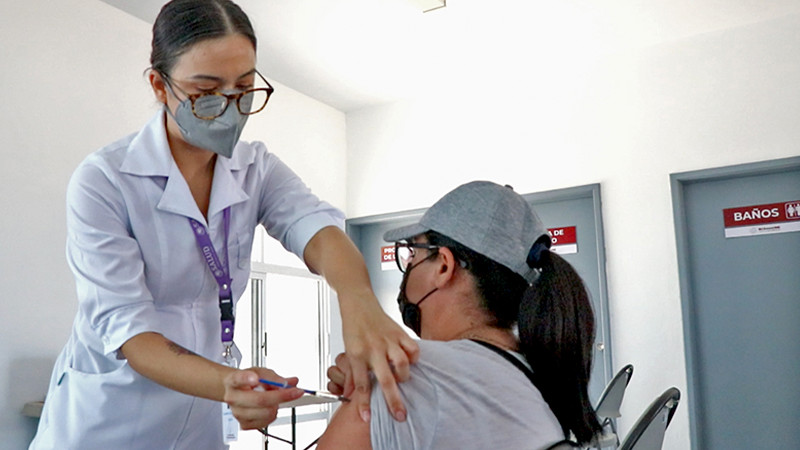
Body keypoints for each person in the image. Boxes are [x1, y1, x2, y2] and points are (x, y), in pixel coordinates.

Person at [28, 1, 417, 448]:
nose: (230, 109)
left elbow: (315, 228)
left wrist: (358, 299)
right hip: (105, 424)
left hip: (198, 427)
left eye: (245, 88)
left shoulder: (256, 169)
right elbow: (131, 332)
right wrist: (230, 384)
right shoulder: (105, 181)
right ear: (159, 85)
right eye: (207, 92)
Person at [317, 181, 602, 449]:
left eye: (413, 254)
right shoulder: (536, 378)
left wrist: (370, 387)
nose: (408, 267)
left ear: (444, 265)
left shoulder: (408, 377)